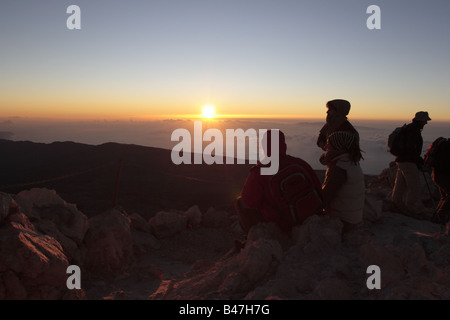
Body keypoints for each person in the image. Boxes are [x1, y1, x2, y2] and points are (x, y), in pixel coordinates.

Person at [235, 130, 323, 234]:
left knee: (240, 201)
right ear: (283, 145)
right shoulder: (300, 163)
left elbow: (250, 201)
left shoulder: (259, 171)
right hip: (310, 217)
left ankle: (252, 238)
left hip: (282, 225)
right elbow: (318, 188)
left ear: (264, 147)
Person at [321, 131, 365, 234]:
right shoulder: (350, 162)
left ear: (337, 146)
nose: (326, 146)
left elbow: (325, 198)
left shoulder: (339, 168)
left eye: (329, 143)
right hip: (353, 217)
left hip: (343, 220)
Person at [391, 111, 431, 218]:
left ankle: (396, 204)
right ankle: (410, 208)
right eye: (425, 121)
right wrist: (418, 159)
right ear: (421, 120)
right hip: (408, 161)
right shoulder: (414, 130)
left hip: (401, 160)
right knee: (415, 187)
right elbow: (411, 148)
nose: (426, 123)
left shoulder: (409, 128)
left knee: (400, 184)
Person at [424, 137, 450, 224]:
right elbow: (445, 164)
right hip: (442, 175)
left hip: (436, 174)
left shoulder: (444, 144)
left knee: (444, 197)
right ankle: (440, 217)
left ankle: (436, 217)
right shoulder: (447, 147)